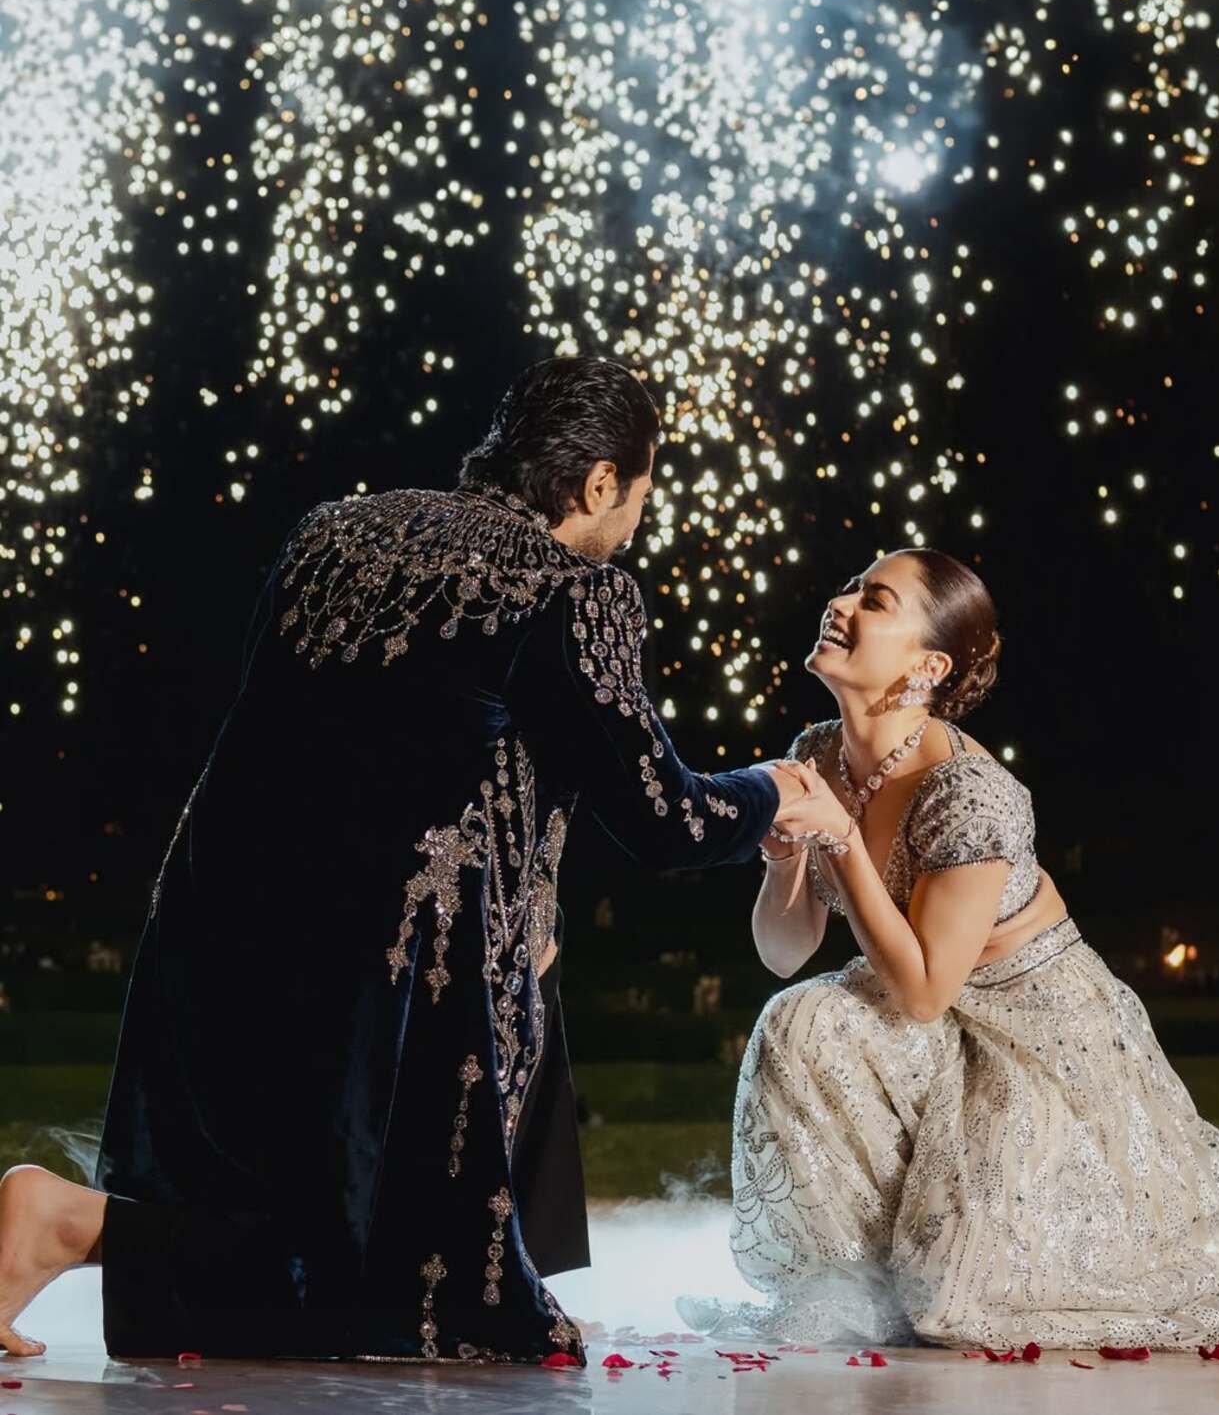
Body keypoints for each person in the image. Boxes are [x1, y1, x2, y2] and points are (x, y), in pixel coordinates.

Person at [0, 355, 812, 1364]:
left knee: (301, 1215)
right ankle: (67, 1221)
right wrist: (774, 790)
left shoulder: (331, 533)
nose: (632, 521)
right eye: (638, 495)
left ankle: (67, 1223)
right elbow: (661, 818)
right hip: (385, 961)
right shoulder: (569, 586)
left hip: (220, 916)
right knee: (378, 1277)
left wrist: (529, 904)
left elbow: (377, 740)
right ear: (600, 482)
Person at [679, 548, 1219, 1352]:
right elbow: (784, 953)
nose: (842, 601)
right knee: (799, 1016)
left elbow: (925, 992)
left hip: (1035, 1036)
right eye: (851, 584)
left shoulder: (971, 792)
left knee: (960, 1294)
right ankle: (840, 1285)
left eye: (876, 599)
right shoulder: (818, 753)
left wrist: (840, 838)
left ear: (928, 666)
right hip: (927, 1017)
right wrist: (789, 854)